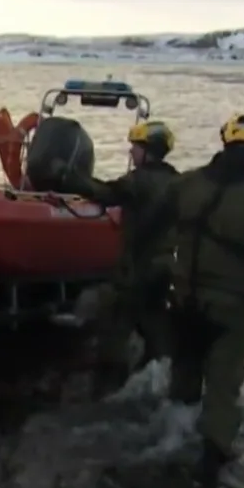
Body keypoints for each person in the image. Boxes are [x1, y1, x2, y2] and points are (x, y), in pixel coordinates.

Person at [130, 113, 244, 488]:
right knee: (223, 392)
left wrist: (144, 277)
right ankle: (210, 470)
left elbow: (145, 230)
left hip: (184, 304)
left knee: (183, 384)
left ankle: (169, 449)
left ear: (225, 141)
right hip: (229, 312)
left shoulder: (184, 184)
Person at [60, 120, 180, 397]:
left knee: (114, 336)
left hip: (135, 274)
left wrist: (69, 176)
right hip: (163, 274)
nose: (131, 152)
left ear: (148, 150)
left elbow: (104, 193)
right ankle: (159, 388)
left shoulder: (139, 181)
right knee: (157, 338)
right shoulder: (178, 182)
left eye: (135, 147)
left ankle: (107, 391)